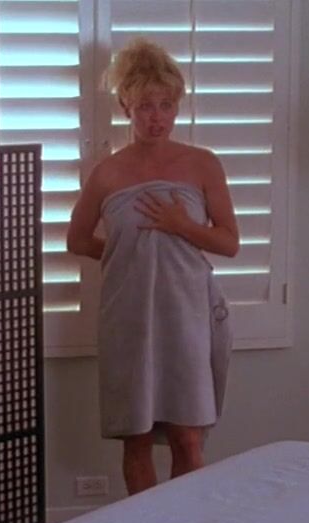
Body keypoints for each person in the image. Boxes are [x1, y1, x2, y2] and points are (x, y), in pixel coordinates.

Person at [67, 38, 237, 496]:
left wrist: (182, 226)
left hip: (187, 313)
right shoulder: (108, 172)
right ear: (126, 106)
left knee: (187, 436)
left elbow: (229, 242)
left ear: (177, 106)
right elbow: (77, 239)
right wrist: (129, 257)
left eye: (166, 105)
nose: (156, 117)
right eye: (145, 106)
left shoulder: (202, 165)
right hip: (129, 315)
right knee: (136, 436)